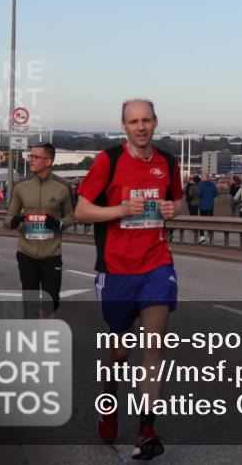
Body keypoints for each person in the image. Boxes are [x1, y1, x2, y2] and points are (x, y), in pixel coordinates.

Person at [74, 99, 182, 460]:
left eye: (146, 120)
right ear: (124, 125)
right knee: (118, 352)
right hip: (116, 270)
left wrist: (171, 209)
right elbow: (81, 210)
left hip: (157, 264)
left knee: (154, 345)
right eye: (134, 121)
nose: (141, 127)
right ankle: (109, 403)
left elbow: (177, 202)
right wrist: (119, 210)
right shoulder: (109, 160)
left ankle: (146, 429)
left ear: (155, 122)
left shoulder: (167, 161)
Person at [6, 143, 75, 317]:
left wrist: (59, 224)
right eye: (30, 156)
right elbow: (8, 218)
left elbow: (72, 216)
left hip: (52, 254)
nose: (31, 160)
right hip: (26, 252)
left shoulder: (63, 187)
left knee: (51, 301)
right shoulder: (21, 186)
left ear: (48, 161)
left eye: (36, 157)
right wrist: (15, 221)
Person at [195, 174, 218, 244]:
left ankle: (202, 237)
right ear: (208, 178)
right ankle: (209, 237)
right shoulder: (213, 184)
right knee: (210, 222)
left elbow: (199, 194)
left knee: (201, 222)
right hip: (210, 205)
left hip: (203, 205)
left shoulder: (200, 184)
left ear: (203, 178)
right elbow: (216, 194)